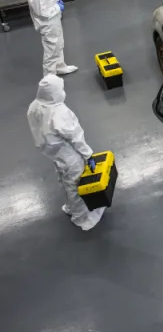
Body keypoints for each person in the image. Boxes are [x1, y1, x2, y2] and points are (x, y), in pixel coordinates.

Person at [27, 74, 106, 231]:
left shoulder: (34, 106)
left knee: (64, 179)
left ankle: (70, 207)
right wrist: (88, 154)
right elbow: (75, 136)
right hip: (68, 153)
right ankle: (81, 218)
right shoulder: (59, 112)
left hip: (53, 152)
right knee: (75, 183)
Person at [27, 0, 78, 77]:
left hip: (53, 21)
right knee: (51, 50)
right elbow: (42, 12)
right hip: (47, 24)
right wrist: (57, 7)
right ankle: (49, 76)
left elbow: (48, 0)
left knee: (58, 45)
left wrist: (56, 1)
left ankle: (60, 67)